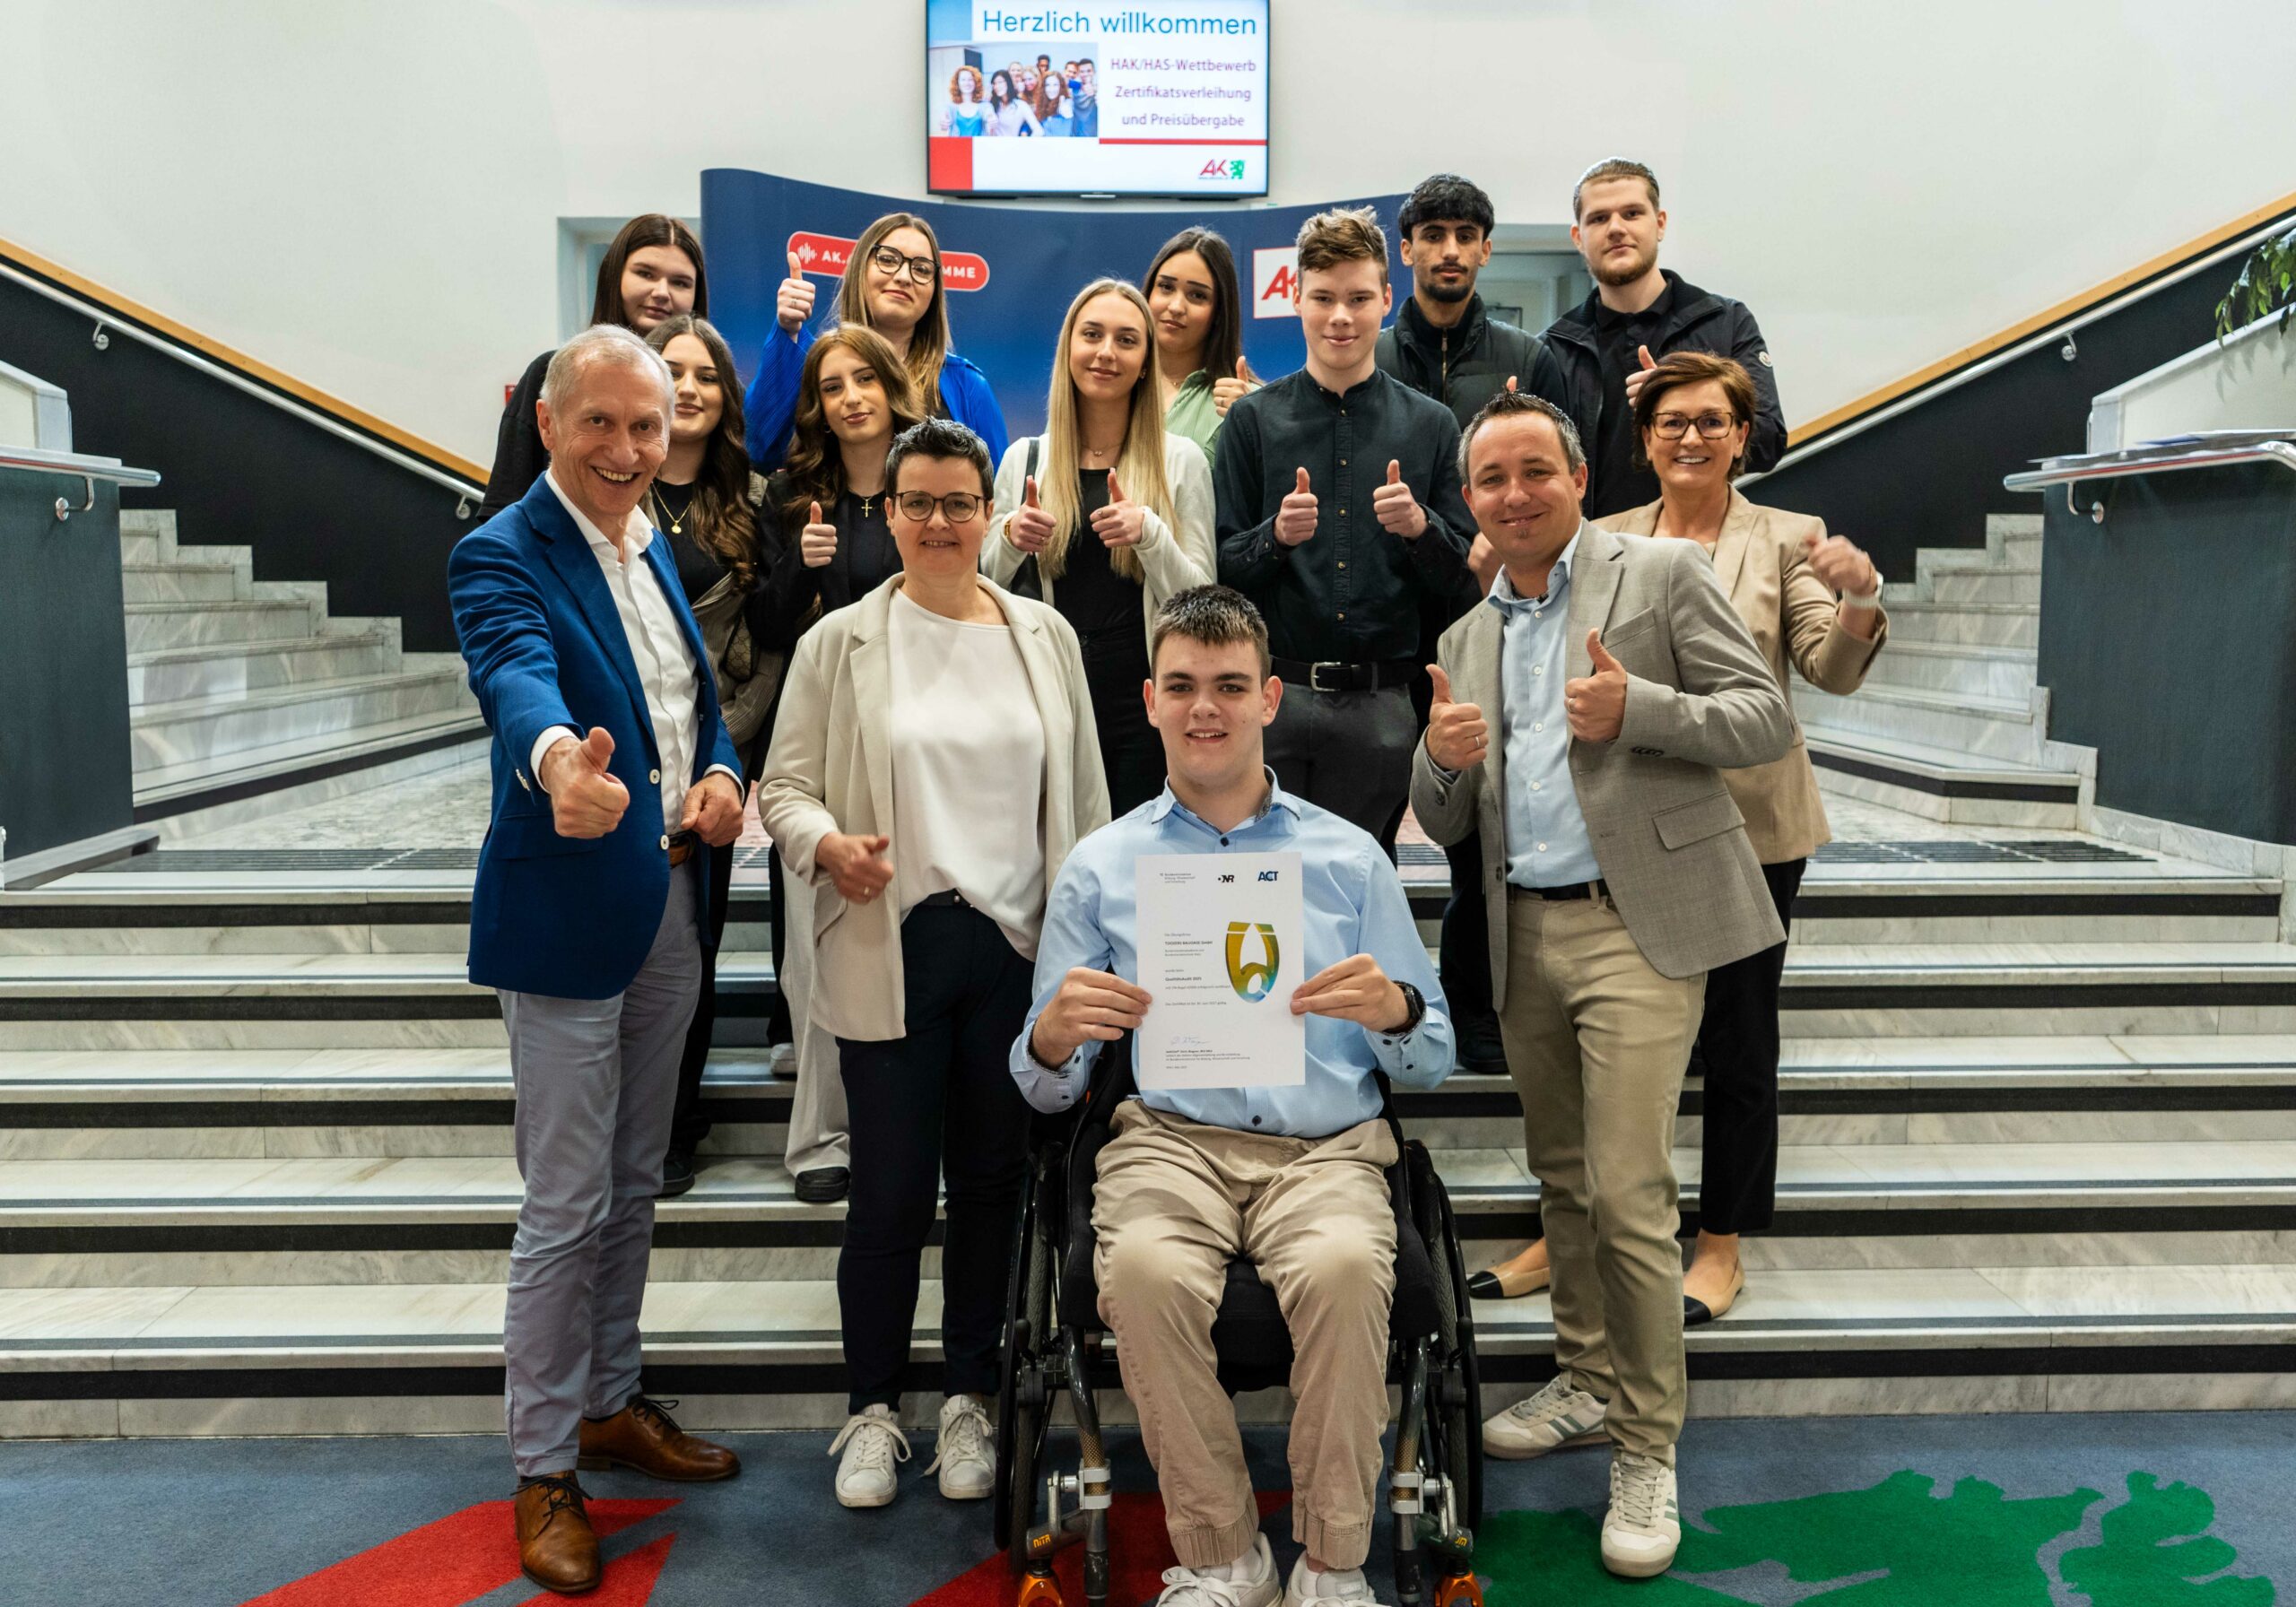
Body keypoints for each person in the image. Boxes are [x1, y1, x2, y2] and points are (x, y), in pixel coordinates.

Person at [1410, 390, 1791, 1579]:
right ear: (1469, 501)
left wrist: (1643, 711)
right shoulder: (1465, 636)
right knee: (1563, 1178)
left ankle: (1645, 1444)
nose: (1515, 494)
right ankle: (1582, 1376)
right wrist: (1438, 762)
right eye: (1491, 479)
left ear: (1579, 478)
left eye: (1536, 470)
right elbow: (1441, 815)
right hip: (1522, 933)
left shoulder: (1661, 577)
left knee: (1627, 1189)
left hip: (1638, 925)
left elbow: (1762, 717)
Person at [1015, 584, 1454, 1607]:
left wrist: (1394, 1010)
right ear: (1150, 701)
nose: (1203, 707)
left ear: (1270, 698)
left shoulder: (1350, 858)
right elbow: (1043, 1087)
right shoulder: (1102, 865)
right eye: (1181, 686)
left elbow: (1428, 1058)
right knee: (1144, 1271)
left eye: (1227, 685)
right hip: (1170, 1142)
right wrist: (1051, 1036)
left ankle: (1333, 1564)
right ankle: (1222, 1554)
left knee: (1347, 1268)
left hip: (1325, 1148)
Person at [760, 417, 1110, 1510]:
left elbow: (1085, 799)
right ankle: (873, 1408)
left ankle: (968, 1396)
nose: (940, 522)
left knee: (994, 1187)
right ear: (890, 512)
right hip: (892, 942)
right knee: (891, 1193)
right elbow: (785, 787)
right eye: (917, 503)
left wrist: (1093, 944)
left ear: (990, 512)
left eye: (960, 502)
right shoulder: (841, 642)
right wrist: (826, 844)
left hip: (1016, 951)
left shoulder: (1044, 634)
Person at [448, 325, 748, 1594]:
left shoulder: (653, 542)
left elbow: (693, 707)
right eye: (602, 425)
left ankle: (611, 1401)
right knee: (565, 1204)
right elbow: (517, 679)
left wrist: (722, 773)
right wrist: (557, 760)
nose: (627, 450)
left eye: (648, 426)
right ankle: (543, 1466)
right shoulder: (500, 550)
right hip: (567, 916)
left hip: (669, 902)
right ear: (549, 424)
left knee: (632, 1183)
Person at [1608, 352, 1884, 1321]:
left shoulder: (1786, 538)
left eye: (1711, 422)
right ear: (1645, 440)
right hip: (1629, 822)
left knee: (1736, 1041)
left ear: (1740, 437)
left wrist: (1858, 599)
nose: (1691, 437)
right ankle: (1592, 1223)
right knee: (1615, 1036)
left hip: (1749, 830)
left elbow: (1828, 667)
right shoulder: (1602, 538)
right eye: (1671, 422)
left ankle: (1720, 1241)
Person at [1375, 173, 1574, 1083]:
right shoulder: (1373, 355)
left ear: (1487, 249)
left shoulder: (1529, 358)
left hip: (1506, 623)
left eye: (1466, 235)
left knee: (1483, 838)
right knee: (1377, 838)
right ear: (1406, 249)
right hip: (1388, 633)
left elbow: (1565, 487)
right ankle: (1382, 1014)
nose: (1449, 250)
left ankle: (1485, 1021)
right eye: (1433, 234)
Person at [1214, 206, 1476, 849]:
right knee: (1262, 880)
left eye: (1358, 299)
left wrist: (1419, 528)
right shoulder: (1252, 422)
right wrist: (1276, 537)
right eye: (1323, 298)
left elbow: (1460, 575)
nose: (1340, 316)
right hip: (1273, 697)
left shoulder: (1432, 425)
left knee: (1364, 882)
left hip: (1382, 706)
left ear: (1386, 299)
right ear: (1296, 300)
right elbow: (1222, 566)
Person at [752, 326, 931, 1205]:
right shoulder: (792, 494)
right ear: (816, 405)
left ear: (892, 386)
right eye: (832, 386)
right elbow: (765, 624)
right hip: (822, 728)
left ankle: (909, 1131)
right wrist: (800, 568)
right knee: (813, 942)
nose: (851, 397)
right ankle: (820, 1136)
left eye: (865, 378)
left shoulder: (926, 480)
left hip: (920, 729)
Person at [640, 315, 784, 1200]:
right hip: (617, 757)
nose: (687, 388)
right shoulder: (611, 489)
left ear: (728, 397)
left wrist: (724, 752)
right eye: (672, 371)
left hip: (712, 763)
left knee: (691, 945)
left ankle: (673, 1124)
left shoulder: (754, 500)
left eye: (705, 375)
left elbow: (770, 645)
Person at [985, 278, 1215, 816]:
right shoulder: (1023, 459)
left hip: (1144, 702)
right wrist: (1011, 540)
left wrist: (1150, 534)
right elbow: (981, 586)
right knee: (1058, 848)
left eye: (1126, 340)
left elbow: (1203, 601)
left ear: (1146, 362)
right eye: (1092, 335)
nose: (1106, 352)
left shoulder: (1181, 460)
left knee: (1142, 850)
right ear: (1069, 349)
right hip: (1047, 696)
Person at [1544, 159, 1786, 517]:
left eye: (1632, 213)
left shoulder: (1726, 322)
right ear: (1578, 237)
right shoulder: (1553, 347)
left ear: (1659, 224)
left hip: (1702, 541)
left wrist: (1685, 401)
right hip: (1595, 544)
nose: (1616, 228)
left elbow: (1768, 442)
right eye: (1599, 218)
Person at [746, 212, 1009, 472]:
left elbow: (996, 491)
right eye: (888, 259)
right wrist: (789, 331)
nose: (904, 277)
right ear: (860, 268)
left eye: (921, 269)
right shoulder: (816, 368)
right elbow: (760, 450)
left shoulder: (966, 385)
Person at [482, 214, 704, 517]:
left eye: (680, 282)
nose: (662, 292)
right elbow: (504, 504)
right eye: (645, 274)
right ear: (615, 277)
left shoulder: (709, 391)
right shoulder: (550, 373)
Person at [1143, 227, 1259, 472]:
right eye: (1166, 287)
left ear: (1219, 312)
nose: (1176, 306)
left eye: (1197, 295)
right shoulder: (1114, 382)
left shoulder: (1249, 402)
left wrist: (1253, 428)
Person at [987, 69, 1041, 137]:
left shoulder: (1021, 105)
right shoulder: (991, 105)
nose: (997, 86)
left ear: (1008, 82)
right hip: (992, 142)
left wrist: (1026, 143)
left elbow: (1039, 130)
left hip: (1013, 142)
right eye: (994, 84)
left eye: (1000, 82)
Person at [938, 65, 987, 136]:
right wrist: (943, 122)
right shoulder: (949, 106)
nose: (967, 83)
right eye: (963, 80)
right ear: (957, 83)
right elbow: (944, 123)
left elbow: (990, 115)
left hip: (978, 143)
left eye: (970, 79)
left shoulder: (985, 106)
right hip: (956, 143)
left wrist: (991, 119)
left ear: (976, 82)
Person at [1033, 51, 1074, 134]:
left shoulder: (1067, 102)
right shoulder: (1042, 104)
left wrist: (1065, 110)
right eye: (1048, 85)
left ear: (1061, 87)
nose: (1051, 89)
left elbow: (1068, 112)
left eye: (1055, 85)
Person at [1071, 57, 1099, 136]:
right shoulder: (1073, 89)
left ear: (1094, 72)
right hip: (1076, 137)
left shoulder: (1100, 91)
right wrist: (1081, 86)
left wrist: (1095, 90)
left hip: (1094, 138)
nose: (1085, 74)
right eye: (1082, 72)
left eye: (1089, 71)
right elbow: (1064, 80)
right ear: (1078, 73)